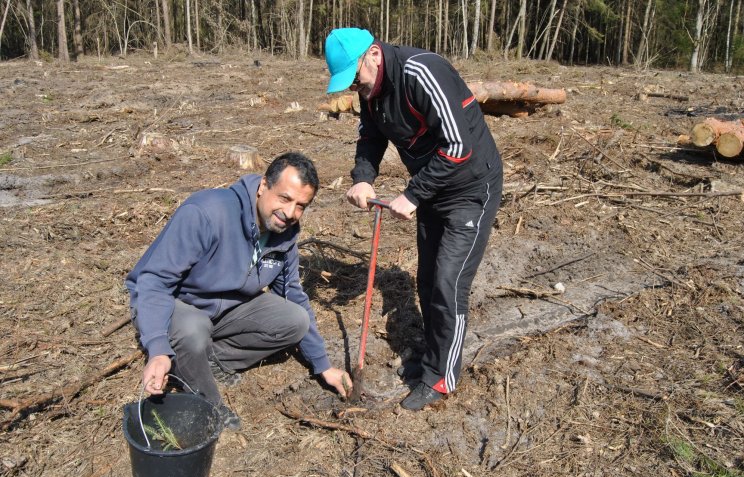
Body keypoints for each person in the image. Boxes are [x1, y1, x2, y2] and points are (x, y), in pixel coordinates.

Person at [324, 28, 503, 411]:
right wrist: (363, 179)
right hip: (432, 187)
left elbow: (458, 146)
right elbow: (370, 140)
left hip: (471, 188)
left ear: (373, 54)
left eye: (356, 79)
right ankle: (431, 356)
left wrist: (413, 194)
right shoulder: (370, 94)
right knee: (426, 279)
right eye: (349, 86)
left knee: (448, 282)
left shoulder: (422, 73)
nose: (356, 89)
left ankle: (441, 378)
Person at [126, 152, 352, 430]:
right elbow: (154, 282)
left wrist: (323, 365)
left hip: (226, 308)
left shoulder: (285, 232)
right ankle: (206, 402)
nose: (290, 213)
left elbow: (292, 293)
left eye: (301, 205)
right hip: (176, 305)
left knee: (295, 320)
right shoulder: (207, 213)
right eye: (284, 198)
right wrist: (158, 348)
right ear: (263, 186)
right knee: (192, 328)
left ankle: (209, 360)